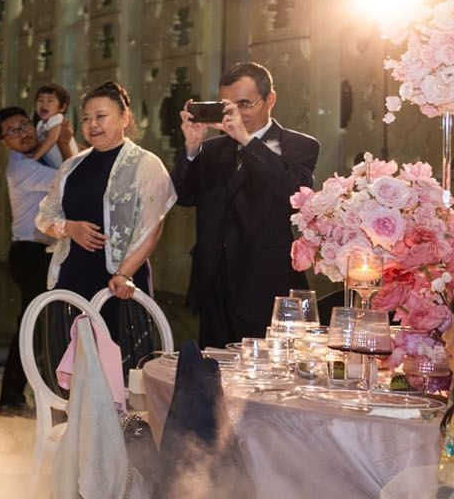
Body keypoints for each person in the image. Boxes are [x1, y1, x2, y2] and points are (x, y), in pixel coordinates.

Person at [172, 61, 319, 347]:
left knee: (265, 380)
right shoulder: (213, 149)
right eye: (228, 106)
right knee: (213, 377)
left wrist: (245, 139)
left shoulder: (300, 146)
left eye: (245, 104)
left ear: (270, 100)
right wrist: (191, 148)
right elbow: (183, 196)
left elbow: (292, 193)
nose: (236, 114)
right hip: (213, 281)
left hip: (265, 285)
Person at [36, 81, 176, 349]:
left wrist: (124, 274)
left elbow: (152, 228)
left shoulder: (145, 164)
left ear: (125, 118)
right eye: (87, 118)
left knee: (119, 368)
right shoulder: (72, 165)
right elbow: (45, 216)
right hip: (72, 278)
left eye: (101, 116)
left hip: (118, 283)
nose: (92, 125)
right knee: (72, 362)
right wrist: (70, 228)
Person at [0, 106, 62, 417]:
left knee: (35, 324)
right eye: (13, 131)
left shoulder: (38, 158)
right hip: (30, 253)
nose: (23, 133)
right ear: (4, 142)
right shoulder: (21, 167)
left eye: (25, 125)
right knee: (36, 326)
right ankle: (14, 396)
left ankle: (15, 396)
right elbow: (66, 178)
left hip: (42, 252)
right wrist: (56, 140)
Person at [35, 83, 75, 156]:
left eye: (50, 100)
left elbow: (51, 140)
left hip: (70, 163)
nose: (44, 104)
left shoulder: (57, 118)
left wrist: (35, 158)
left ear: (62, 107)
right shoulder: (40, 124)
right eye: (40, 100)